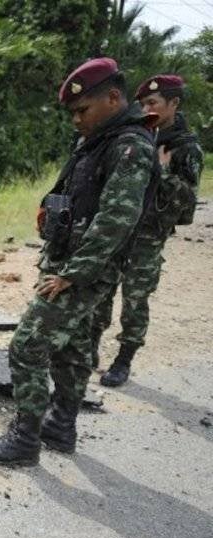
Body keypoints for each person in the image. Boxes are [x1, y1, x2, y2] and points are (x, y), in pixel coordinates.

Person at [0, 58, 158, 466]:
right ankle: (60, 426)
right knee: (72, 349)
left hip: (81, 272)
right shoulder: (97, 140)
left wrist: (71, 275)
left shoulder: (130, 146)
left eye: (82, 110)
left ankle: (24, 440)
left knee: (27, 344)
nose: (76, 119)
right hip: (70, 262)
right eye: (72, 113)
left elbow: (117, 220)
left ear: (113, 97)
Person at [90, 74, 204, 387]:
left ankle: (124, 359)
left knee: (135, 297)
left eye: (152, 102)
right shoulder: (139, 133)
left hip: (150, 233)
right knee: (102, 287)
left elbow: (187, 202)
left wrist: (163, 172)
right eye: (142, 103)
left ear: (174, 103)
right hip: (121, 226)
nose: (146, 107)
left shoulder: (185, 148)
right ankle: (91, 348)